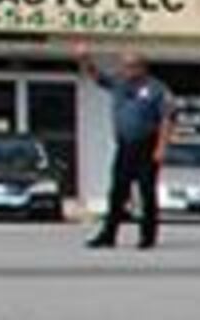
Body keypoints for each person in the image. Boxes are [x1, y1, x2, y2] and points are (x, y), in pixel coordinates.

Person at [69, 40, 171, 249]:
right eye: (124, 66)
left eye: (132, 66)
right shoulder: (119, 83)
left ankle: (147, 236)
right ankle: (109, 234)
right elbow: (97, 77)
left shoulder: (156, 89)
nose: (127, 70)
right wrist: (84, 59)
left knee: (146, 192)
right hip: (125, 146)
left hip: (147, 145)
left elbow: (167, 119)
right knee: (117, 191)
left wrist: (161, 148)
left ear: (143, 67)